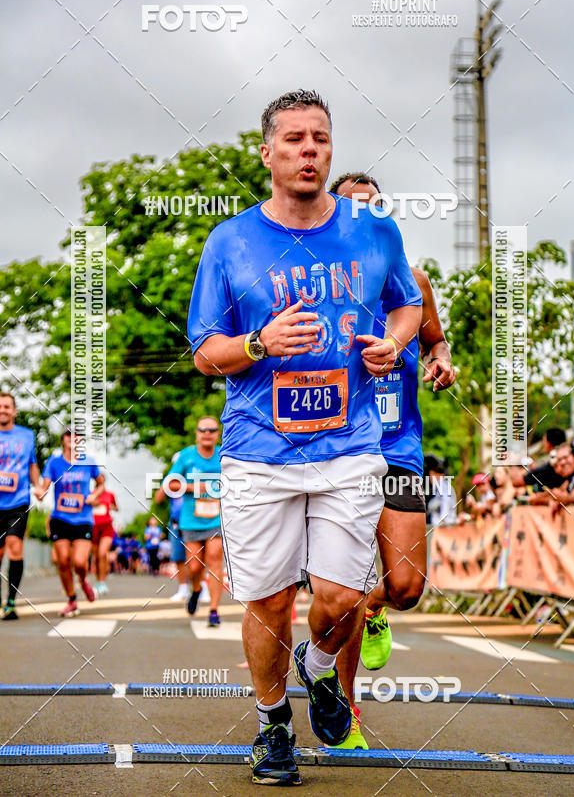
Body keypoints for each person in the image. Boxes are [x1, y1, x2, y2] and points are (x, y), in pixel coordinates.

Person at [188, 90, 422, 785]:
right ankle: (272, 726)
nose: (309, 150)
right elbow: (205, 351)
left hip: (350, 446)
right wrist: (260, 342)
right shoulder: (230, 242)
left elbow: (407, 302)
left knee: (343, 599)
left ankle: (317, 670)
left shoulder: (373, 230)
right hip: (259, 450)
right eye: (293, 139)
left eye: (319, 137)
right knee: (265, 605)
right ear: (268, 154)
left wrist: (395, 343)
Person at [329, 172, 456, 747]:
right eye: (352, 206)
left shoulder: (414, 281)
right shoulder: (322, 282)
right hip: (342, 454)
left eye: (374, 204)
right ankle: (347, 712)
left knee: (405, 587)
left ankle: (380, 608)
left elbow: (435, 340)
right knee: (345, 591)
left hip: (400, 449)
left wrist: (441, 360)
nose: (366, 214)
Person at [36, 430, 105, 617]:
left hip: (83, 519)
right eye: (68, 435)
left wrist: (94, 496)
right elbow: (44, 487)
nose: (72, 438)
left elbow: (101, 483)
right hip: (60, 518)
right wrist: (39, 492)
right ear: (63, 440)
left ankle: (83, 581)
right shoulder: (54, 462)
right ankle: (72, 599)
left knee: (80, 562)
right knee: (63, 560)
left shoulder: (89, 462)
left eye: (77, 435)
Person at [162, 417, 223, 625]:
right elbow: (169, 483)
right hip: (191, 520)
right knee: (195, 567)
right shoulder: (187, 456)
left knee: (215, 560)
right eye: (203, 429)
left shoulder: (224, 454)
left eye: (212, 430)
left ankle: (214, 611)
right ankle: (196, 590)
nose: (207, 433)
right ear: (197, 433)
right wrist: (194, 487)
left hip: (216, 518)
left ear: (217, 433)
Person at [0, 393, 40, 620]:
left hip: (18, 501)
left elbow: (32, 464)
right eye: (0, 407)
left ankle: (11, 602)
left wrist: (38, 485)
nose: (3, 410)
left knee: (14, 546)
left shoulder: (27, 436)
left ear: (14, 411)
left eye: (7, 406)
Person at [154, 480, 191, 601]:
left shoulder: (195, 474)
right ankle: (183, 588)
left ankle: (201, 587)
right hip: (176, 523)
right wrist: (166, 484)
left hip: (194, 522)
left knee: (196, 557)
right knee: (179, 557)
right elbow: (158, 499)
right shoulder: (171, 481)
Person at [91, 486, 118, 595]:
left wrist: (113, 507)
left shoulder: (110, 494)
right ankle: (97, 581)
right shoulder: (90, 494)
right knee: (96, 557)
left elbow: (116, 507)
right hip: (93, 528)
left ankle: (102, 582)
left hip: (106, 527)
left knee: (102, 554)